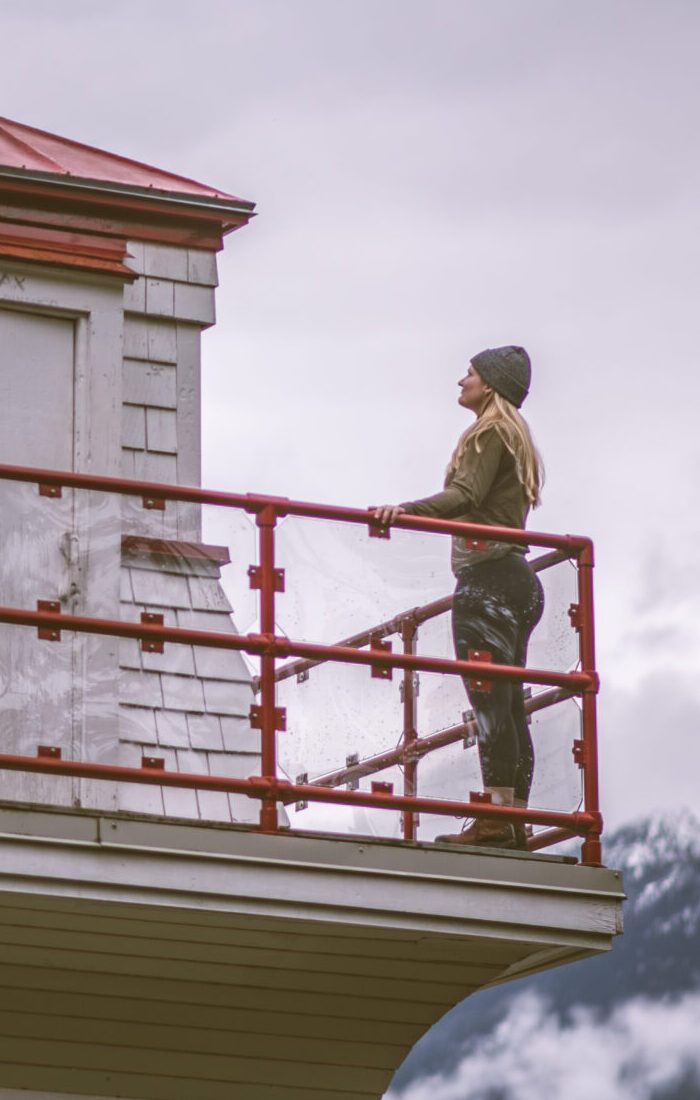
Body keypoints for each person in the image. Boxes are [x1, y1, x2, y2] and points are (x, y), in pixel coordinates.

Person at [374, 345, 544, 849]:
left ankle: (495, 821)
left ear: (490, 384)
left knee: (491, 705)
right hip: (518, 581)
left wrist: (404, 510)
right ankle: (512, 819)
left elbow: (465, 496)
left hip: (488, 582)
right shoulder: (516, 438)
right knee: (510, 707)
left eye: (469, 373)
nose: (460, 381)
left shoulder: (488, 433)